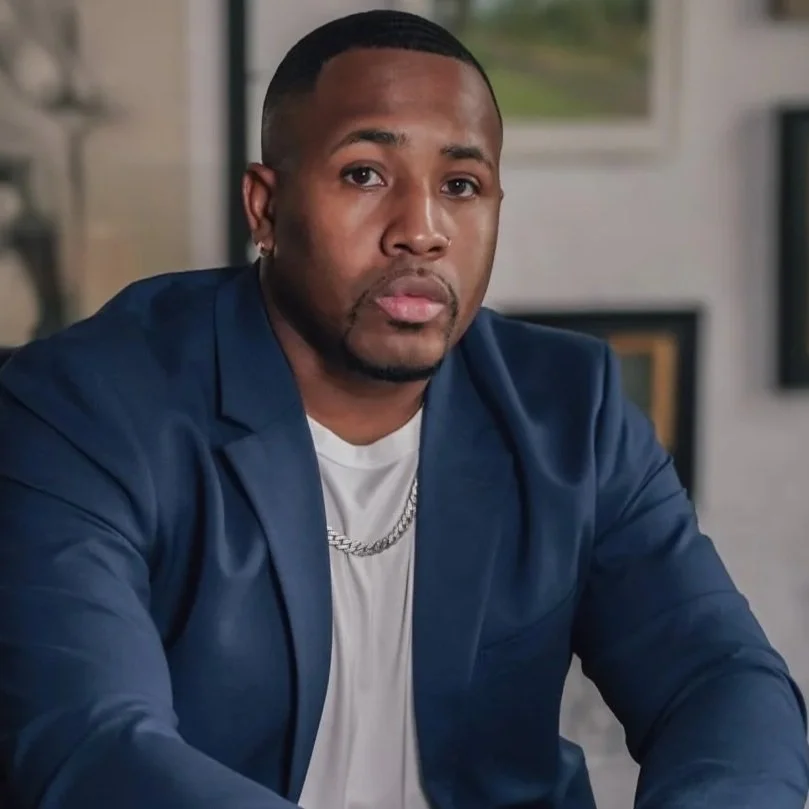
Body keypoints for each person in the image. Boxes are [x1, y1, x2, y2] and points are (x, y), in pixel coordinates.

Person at [0, 9, 806, 809]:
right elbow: (92, 743)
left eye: (460, 185)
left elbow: (717, 676)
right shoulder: (87, 405)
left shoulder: (570, 409)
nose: (420, 231)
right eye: (364, 174)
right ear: (264, 207)